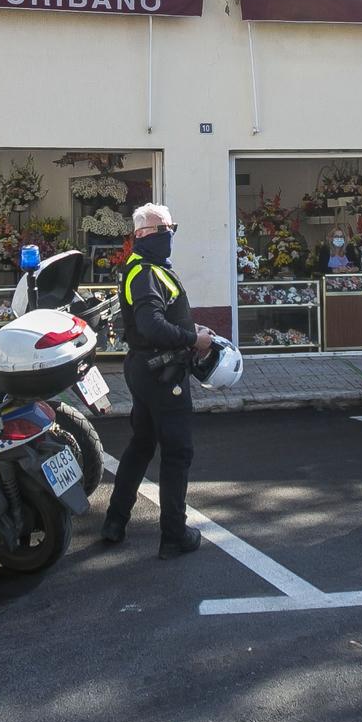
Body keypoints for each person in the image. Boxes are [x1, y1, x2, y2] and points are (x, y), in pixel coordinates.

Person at [101, 202, 214, 558]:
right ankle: (174, 536)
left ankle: (115, 521)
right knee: (178, 452)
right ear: (141, 236)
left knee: (142, 443)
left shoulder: (147, 268)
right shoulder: (145, 272)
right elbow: (151, 324)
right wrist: (192, 339)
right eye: (162, 229)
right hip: (161, 372)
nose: (169, 235)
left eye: (171, 228)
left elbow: (160, 317)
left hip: (146, 368)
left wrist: (187, 329)